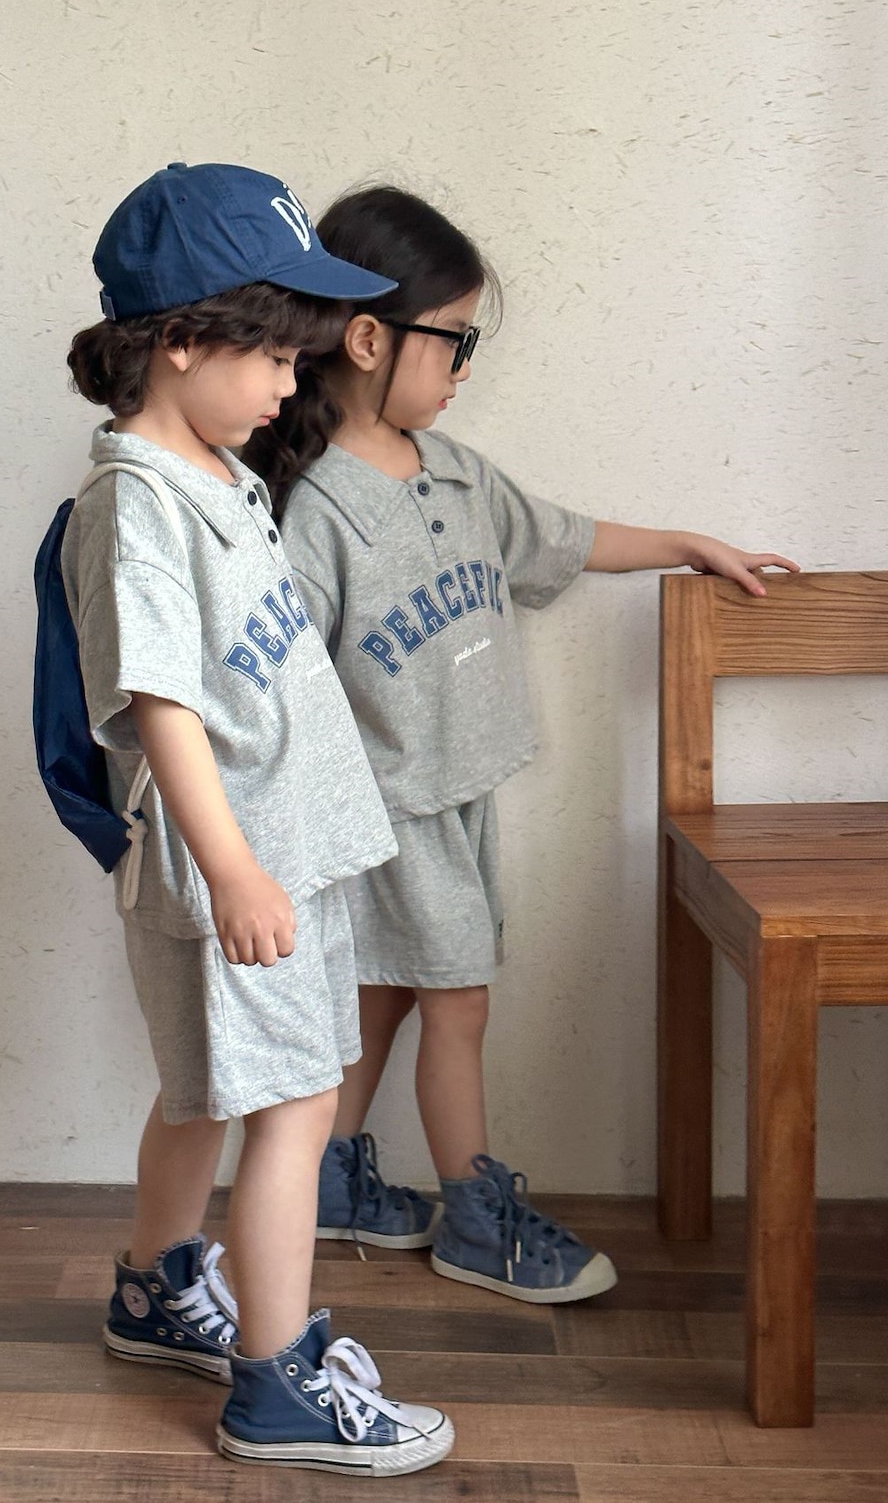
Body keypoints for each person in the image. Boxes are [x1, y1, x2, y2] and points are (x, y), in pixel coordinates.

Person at [243, 185, 797, 1304]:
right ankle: (473, 1213)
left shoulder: (456, 475)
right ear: (367, 340)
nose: (463, 367)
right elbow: (275, 691)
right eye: (454, 339)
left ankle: (334, 1177)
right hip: (389, 812)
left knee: (389, 991)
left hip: (462, 792)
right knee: (459, 1001)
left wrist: (687, 543)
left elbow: (564, 538)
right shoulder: (312, 516)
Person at [57, 163, 455, 1474]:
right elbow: (160, 699)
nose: (294, 380)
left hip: (280, 851)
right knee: (293, 1103)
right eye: (276, 354)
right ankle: (276, 1383)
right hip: (240, 864)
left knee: (205, 1089)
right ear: (180, 339)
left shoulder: (210, 471)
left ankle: (156, 1285)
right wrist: (231, 867)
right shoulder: (136, 506)